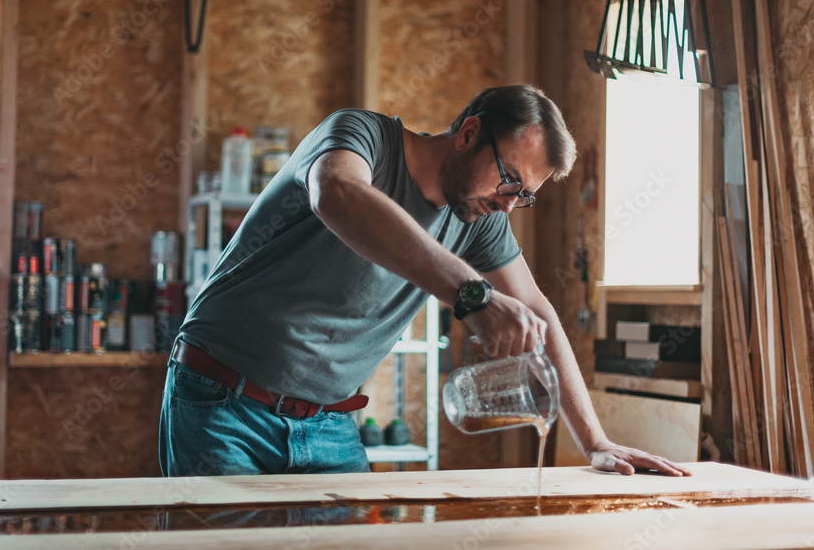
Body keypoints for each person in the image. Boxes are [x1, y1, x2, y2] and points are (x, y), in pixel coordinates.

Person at [158, 84, 692, 479]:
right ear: (468, 133)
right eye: (509, 180)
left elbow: (538, 310)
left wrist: (594, 440)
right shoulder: (362, 136)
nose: (509, 203)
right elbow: (337, 194)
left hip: (328, 424)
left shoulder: (477, 217)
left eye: (524, 195)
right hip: (222, 403)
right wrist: (471, 291)